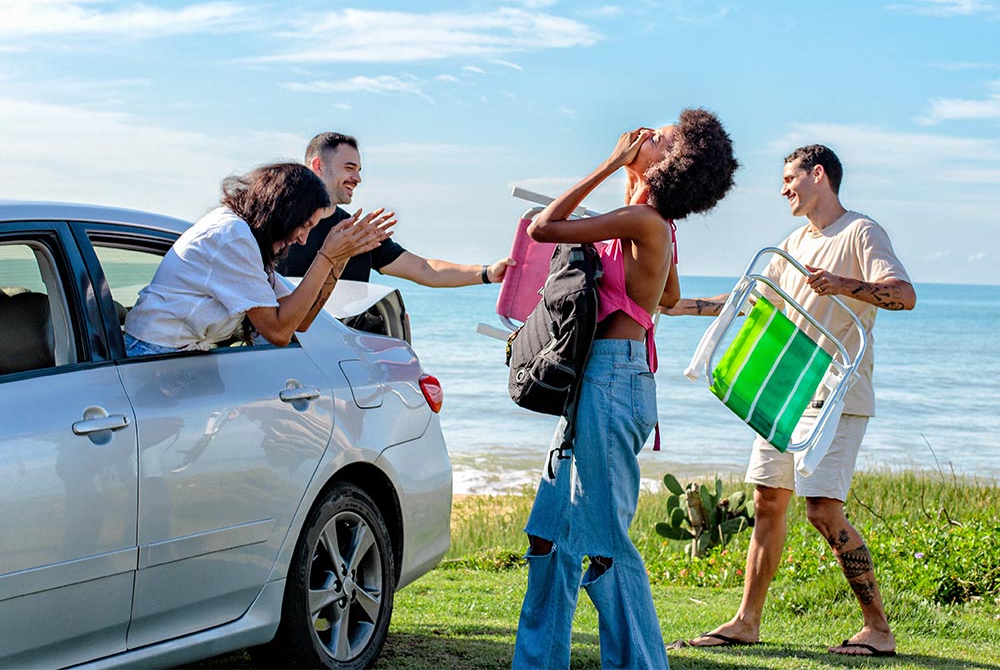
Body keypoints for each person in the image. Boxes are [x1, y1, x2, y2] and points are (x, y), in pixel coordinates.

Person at [667, 144, 915, 657]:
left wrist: (844, 284)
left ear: (818, 174)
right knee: (767, 500)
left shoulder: (861, 232)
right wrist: (676, 306)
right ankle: (746, 622)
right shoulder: (793, 243)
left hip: (837, 392)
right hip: (786, 389)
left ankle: (878, 629)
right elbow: (746, 300)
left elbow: (904, 294)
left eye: (789, 179)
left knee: (823, 510)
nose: (783, 190)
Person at [512, 110, 739, 670]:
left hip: (614, 380)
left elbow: (542, 227)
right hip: (598, 379)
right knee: (549, 534)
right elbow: (668, 297)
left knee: (605, 543)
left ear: (670, 166)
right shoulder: (649, 222)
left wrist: (612, 162)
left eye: (658, 138)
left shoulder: (643, 220)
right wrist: (630, 179)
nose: (643, 135)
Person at [124, 162, 394, 354]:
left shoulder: (246, 238)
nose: (303, 239)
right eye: (304, 226)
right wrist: (326, 256)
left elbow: (300, 320)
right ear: (284, 211)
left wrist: (341, 256)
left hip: (177, 352)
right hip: (154, 351)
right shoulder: (233, 237)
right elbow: (278, 332)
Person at [279, 132, 513, 287]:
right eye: (350, 168)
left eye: (359, 170)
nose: (358, 178)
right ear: (318, 166)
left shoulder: (361, 234)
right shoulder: (276, 223)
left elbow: (425, 270)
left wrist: (487, 273)